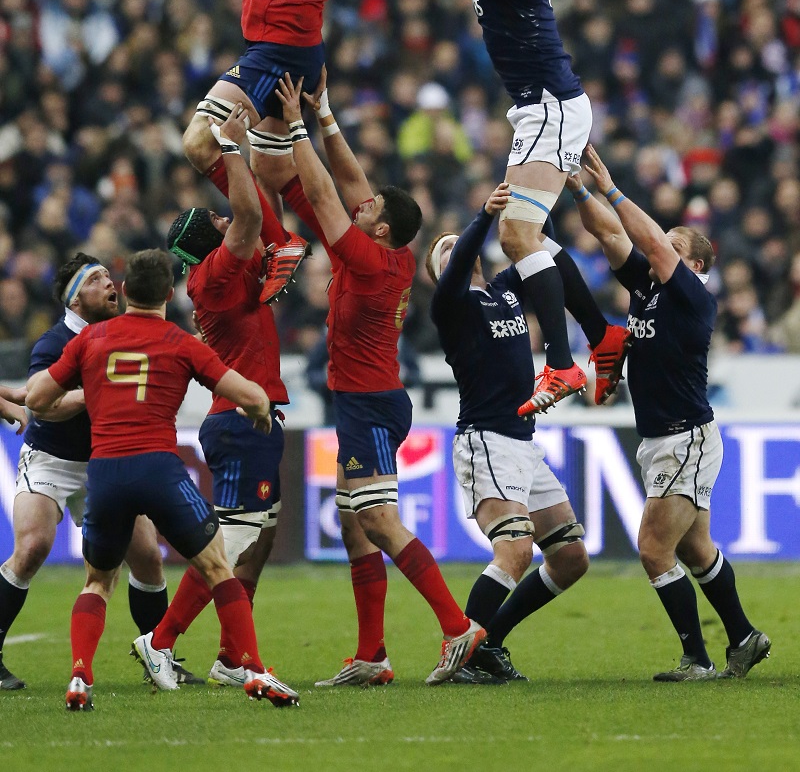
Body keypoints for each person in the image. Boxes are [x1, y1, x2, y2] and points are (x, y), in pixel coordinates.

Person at [336, 0, 629, 415]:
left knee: (518, 237)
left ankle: (563, 365)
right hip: (538, 110)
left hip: (551, 105)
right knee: (525, 236)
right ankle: (602, 336)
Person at [274, 71, 485, 686]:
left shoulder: (364, 261)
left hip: (368, 402)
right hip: (368, 398)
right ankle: (372, 654)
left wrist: (293, 128)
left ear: (382, 228)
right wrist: (328, 118)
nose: (360, 206)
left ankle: (457, 627)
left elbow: (321, 191)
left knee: (380, 522)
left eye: (369, 210)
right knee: (351, 519)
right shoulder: (385, 251)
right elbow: (349, 182)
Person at [26, 249, 299, 711]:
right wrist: (259, 415)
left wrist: (82, 392)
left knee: (97, 581)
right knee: (216, 566)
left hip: (107, 471)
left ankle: (79, 675)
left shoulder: (90, 340)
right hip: (159, 467)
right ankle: (252, 670)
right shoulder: (181, 341)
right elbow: (250, 394)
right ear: (169, 294)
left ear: (126, 291)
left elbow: (36, 398)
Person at [568, 145, 771, 681]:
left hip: (686, 436)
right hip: (662, 436)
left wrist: (611, 186)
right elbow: (611, 235)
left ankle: (697, 658)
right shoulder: (649, 289)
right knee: (695, 547)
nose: (660, 250)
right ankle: (745, 638)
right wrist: (578, 188)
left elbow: (651, 240)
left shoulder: (691, 296)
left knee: (654, 549)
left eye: (676, 247)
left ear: (696, 265)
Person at [0, 254, 198, 693]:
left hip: (107, 462)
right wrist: (97, 389)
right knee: (32, 547)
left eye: (110, 276)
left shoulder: (123, 334)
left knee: (147, 556)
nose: (111, 284)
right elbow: (44, 409)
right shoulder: (51, 344)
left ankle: (160, 657)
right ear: (74, 300)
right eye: (96, 279)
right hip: (52, 459)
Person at [181, 0, 361, 295]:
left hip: (283, 50)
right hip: (271, 48)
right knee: (274, 169)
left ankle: (279, 243)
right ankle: (350, 253)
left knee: (200, 141)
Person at [426, 182, 589, 683]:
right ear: (437, 271)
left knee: (570, 558)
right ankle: (459, 652)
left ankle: (489, 641)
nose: (456, 247)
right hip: (486, 439)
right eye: (444, 248)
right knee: (515, 550)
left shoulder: (503, 288)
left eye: (459, 240)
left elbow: (541, 249)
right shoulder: (450, 305)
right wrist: (480, 217)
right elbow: (459, 263)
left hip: (523, 441)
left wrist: (544, 194)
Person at [162, 104, 289, 687]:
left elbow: (265, 220)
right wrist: (234, 148)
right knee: (233, 537)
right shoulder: (214, 273)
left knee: (258, 538)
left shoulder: (220, 274)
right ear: (206, 239)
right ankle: (159, 641)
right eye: (211, 220)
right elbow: (246, 215)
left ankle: (231, 655)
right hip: (240, 418)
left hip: (253, 413)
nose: (223, 219)